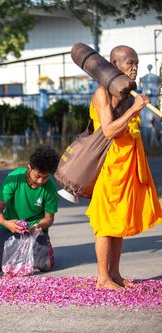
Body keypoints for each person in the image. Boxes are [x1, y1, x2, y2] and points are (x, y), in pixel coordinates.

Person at [85, 45, 161, 290]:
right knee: (105, 224)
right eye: (129, 62)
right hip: (109, 167)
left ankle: (114, 274)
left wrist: (135, 105)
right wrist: (134, 110)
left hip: (127, 167)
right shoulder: (102, 94)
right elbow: (109, 131)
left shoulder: (128, 93)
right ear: (114, 65)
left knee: (118, 223)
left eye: (136, 62)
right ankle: (102, 278)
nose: (134, 67)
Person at [0, 146, 60, 272]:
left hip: (34, 230)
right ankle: (19, 251)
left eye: (45, 177)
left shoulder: (51, 188)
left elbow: (49, 219)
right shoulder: (14, 178)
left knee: (45, 265)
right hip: (9, 226)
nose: (40, 181)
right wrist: (7, 223)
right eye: (37, 176)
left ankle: (42, 247)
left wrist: (37, 226)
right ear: (29, 167)